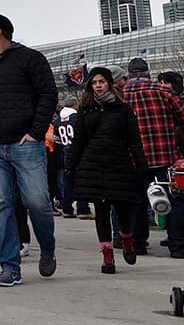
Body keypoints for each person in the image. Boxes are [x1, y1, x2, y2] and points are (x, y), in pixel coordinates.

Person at [0, 14, 58, 287]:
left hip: (26, 144)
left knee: (37, 201)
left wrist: (36, 133)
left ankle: (48, 248)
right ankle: (9, 267)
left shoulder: (31, 59)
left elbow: (48, 95)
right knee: (2, 205)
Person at [65, 67, 149, 274]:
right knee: (101, 212)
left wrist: (141, 167)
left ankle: (127, 238)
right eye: (94, 83)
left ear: (109, 83)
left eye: (101, 82)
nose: (98, 86)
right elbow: (78, 141)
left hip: (119, 163)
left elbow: (134, 141)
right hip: (94, 164)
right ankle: (107, 256)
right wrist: (71, 165)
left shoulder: (124, 110)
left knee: (124, 209)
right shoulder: (86, 110)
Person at [123, 55, 184, 257]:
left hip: (134, 158)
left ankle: (138, 243)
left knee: (137, 201)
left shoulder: (121, 95)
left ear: (129, 75)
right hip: (164, 156)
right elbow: (182, 117)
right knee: (174, 200)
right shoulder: (164, 91)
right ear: (148, 73)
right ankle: (177, 246)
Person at [54, 105, 90, 219]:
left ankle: (67, 209)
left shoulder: (58, 121)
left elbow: (56, 137)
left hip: (66, 152)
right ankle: (83, 209)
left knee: (68, 183)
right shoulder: (76, 118)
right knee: (82, 181)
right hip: (78, 152)